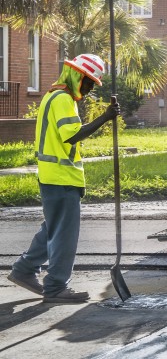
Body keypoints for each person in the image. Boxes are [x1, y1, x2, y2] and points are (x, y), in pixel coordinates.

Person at [7, 54, 120, 303]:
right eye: (88, 82)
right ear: (76, 76)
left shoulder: (51, 95)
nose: (90, 89)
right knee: (64, 234)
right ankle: (56, 286)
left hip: (53, 175)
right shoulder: (63, 99)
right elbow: (72, 135)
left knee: (53, 228)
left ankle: (24, 270)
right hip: (60, 177)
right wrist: (105, 117)